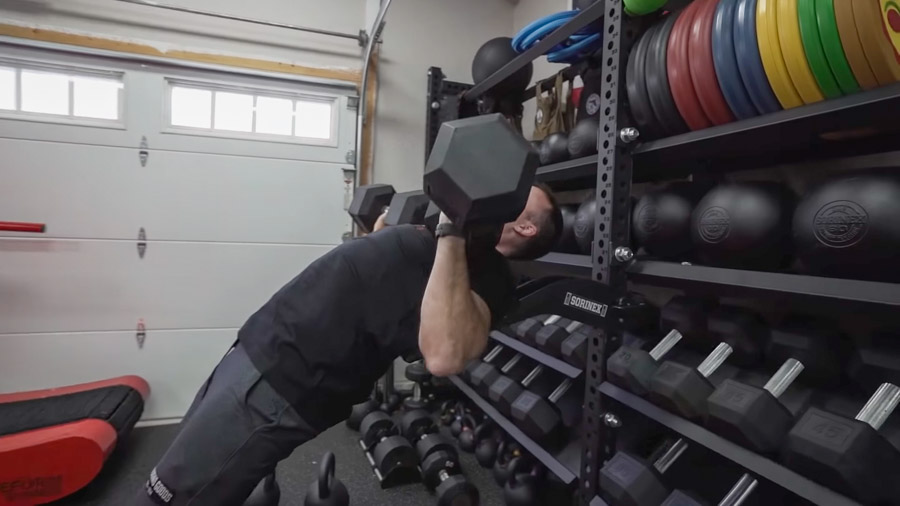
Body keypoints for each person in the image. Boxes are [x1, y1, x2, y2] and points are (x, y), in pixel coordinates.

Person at [136, 184, 562, 506]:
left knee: (172, 494)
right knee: (183, 469)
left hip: (285, 383)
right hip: (259, 349)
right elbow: (387, 260)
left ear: (526, 224)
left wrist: (453, 226)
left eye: (522, 193)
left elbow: (446, 354)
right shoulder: (447, 234)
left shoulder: (488, 274)